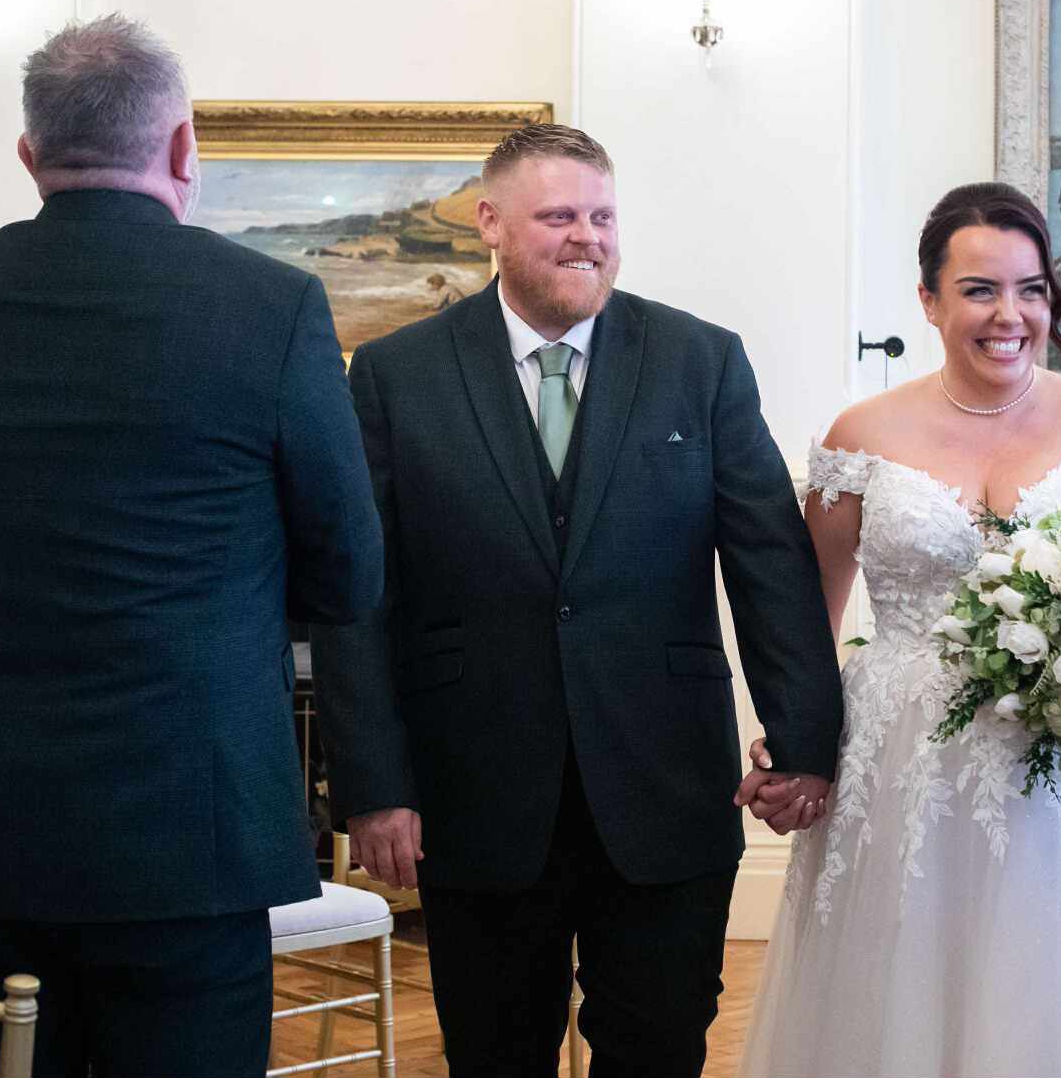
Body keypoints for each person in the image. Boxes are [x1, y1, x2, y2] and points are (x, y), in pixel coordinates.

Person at [0, 14, 383, 1077]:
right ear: (183, 147)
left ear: (30, 155)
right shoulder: (273, 303)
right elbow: (350, 569)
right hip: (191, 821)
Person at [311, 122, 843, 1078]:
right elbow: (360, 595)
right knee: (493, 1055)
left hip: (665, 786)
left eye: (602, 217)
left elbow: (770, 563)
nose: (586, 237)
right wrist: (375, 785)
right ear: (491, 222)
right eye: (558, 216)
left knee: (661, 1048)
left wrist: (803, 740)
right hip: (474, 793)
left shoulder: (700, 360)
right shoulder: (396, 374)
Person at [736, 182, 1061, 1078]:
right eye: (979, 290)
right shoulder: (861, 437)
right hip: (904, 763)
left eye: (1031, 289)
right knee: (905, 981)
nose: (1010, 315)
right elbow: (807, 623)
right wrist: (797, 746)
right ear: (928, 300)